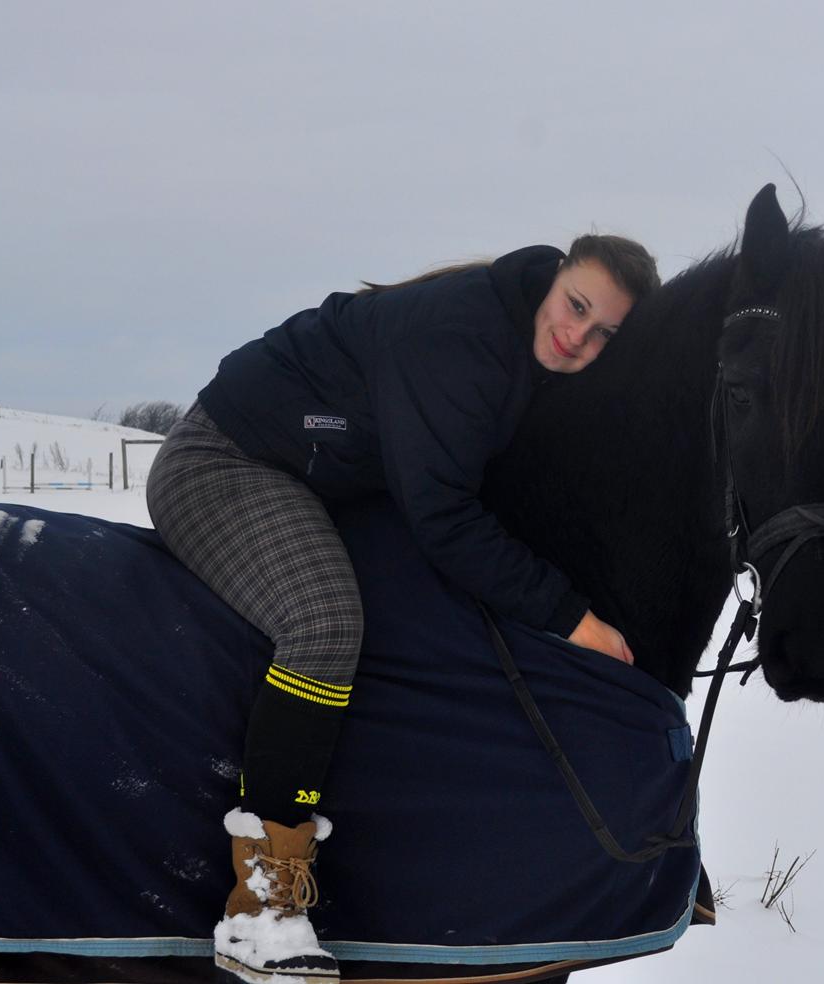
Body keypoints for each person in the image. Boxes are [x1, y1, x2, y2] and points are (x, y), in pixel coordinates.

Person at [145, 235, 659, 984]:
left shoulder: (523, 342)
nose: (578, 337)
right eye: (576, 306)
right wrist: (569, 617)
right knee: (324, 623)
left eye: (604, 331)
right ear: (555, 277)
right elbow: (444, 517)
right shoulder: (462, 334)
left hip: (327, 477)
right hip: (225, 461)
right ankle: (260, 908)